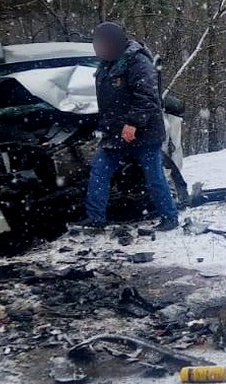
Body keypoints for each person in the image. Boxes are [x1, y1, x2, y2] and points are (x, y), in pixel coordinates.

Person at [75, 22, 179, 232]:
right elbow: (109, 102)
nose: (100, 49)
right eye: (97, 45)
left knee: (154, 177)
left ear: (116, 43)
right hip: (114, 135)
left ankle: (170, 217)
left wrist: (133, 123)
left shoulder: (138, 62)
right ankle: (95, 219)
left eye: (103, 45)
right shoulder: (106, 65)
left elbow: (148, 98)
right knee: (99, 170)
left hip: (145, 134)